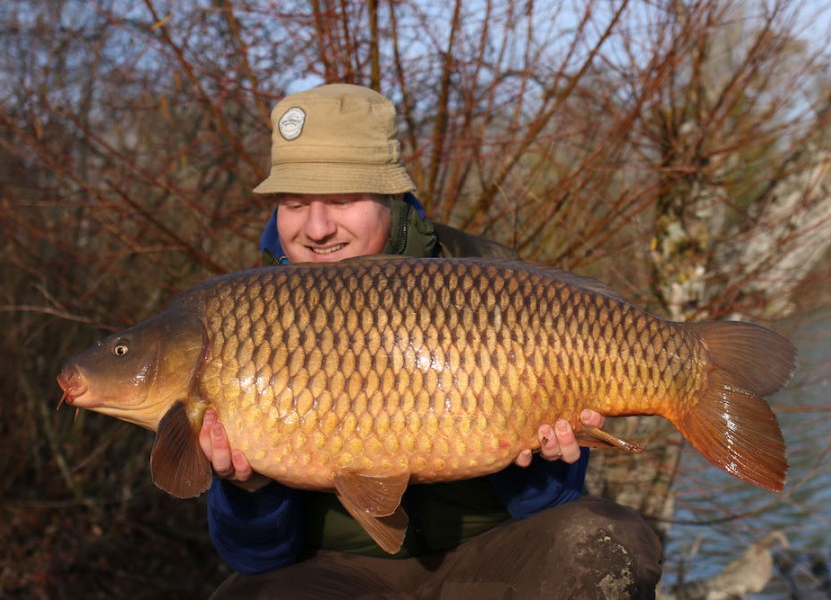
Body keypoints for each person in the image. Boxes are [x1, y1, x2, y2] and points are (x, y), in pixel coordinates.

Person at [200, 83, 663, 599]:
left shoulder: (492, 279)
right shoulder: (236, 316)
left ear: (393, 198)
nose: (317, 227)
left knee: (605, 541)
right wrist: (249, 486)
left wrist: (546, 458)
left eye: (341, 200)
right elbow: (256, 556)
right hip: (335, 570)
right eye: (294, 203)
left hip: (488, 552)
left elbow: (544, 509)